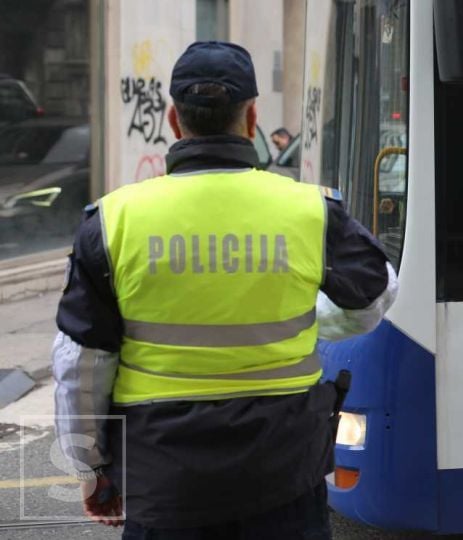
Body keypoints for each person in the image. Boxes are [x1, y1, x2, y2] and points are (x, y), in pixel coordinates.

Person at [52, 41, 397, 539]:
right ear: (252, 117)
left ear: (174, 120)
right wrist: (302, 317)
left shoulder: (112, 221)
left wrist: (90, 468)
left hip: (163, 486)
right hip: (285, 479)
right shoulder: (311, 211)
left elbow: (80, 365)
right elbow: (376, 297)